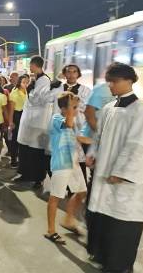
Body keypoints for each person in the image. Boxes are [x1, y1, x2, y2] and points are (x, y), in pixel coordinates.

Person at [86, 62, 143, 273]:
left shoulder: (140, 110)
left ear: (129, 81)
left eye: (114, 81)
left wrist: (121, 172)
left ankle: (121, 266)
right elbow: (99, 138)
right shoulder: (109, 108)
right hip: (105, 176)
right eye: (109, 81)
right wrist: (93, 155)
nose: (110, 85)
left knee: (123, 227)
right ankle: (106, 261)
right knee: (105, 224)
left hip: (125, 182)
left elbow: (137, 145)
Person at [44, 92, 89, 245]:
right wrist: (71, 106)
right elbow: (68, 125)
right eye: (74, 107)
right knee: (55, 197)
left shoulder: (72, 120)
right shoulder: (57, 118)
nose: (76, 110)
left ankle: (68, 219)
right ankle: (51, 231)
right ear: (64, 108)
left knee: (82, 192)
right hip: (61, 164)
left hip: (73, 163)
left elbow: (79, 138)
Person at [16, 56, 52, 189]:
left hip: (38, 121)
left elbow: (38, 99)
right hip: (30, 120)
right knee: (25, 149)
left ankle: (38, 178)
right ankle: (25, 174)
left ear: (34, 65)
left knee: (36, 152)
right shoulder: (36, 78)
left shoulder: (44, 80)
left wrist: (29, 89)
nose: (29, 68)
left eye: (30, 65)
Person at [8, 74, 28, 169]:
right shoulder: (15, 92)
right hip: (17, 115)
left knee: (23, 139)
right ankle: (13, 159)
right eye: (24, 82)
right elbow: (11, 109)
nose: (26, 84)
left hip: (26, 116)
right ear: (19, 82)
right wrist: (11, 122)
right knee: (15, 139)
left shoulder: (28, 91)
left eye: (27, 82)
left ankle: (22, 159)